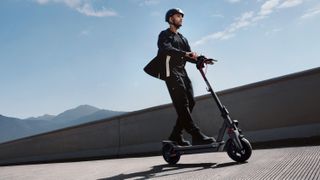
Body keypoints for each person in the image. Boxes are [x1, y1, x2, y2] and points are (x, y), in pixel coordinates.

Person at [144, 8, 215, 146]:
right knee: (181, 103)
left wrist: (202, 59)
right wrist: (184, 54)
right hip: (170, 73)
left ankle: (176, 135)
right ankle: (195, 134)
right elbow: (165, 49)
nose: (181, 18)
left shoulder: (183, 38)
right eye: (178, 16)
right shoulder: (164, 35)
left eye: (182, 16)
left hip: (182, 72)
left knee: (191, 102)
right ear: (171, 19)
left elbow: (189, 55)